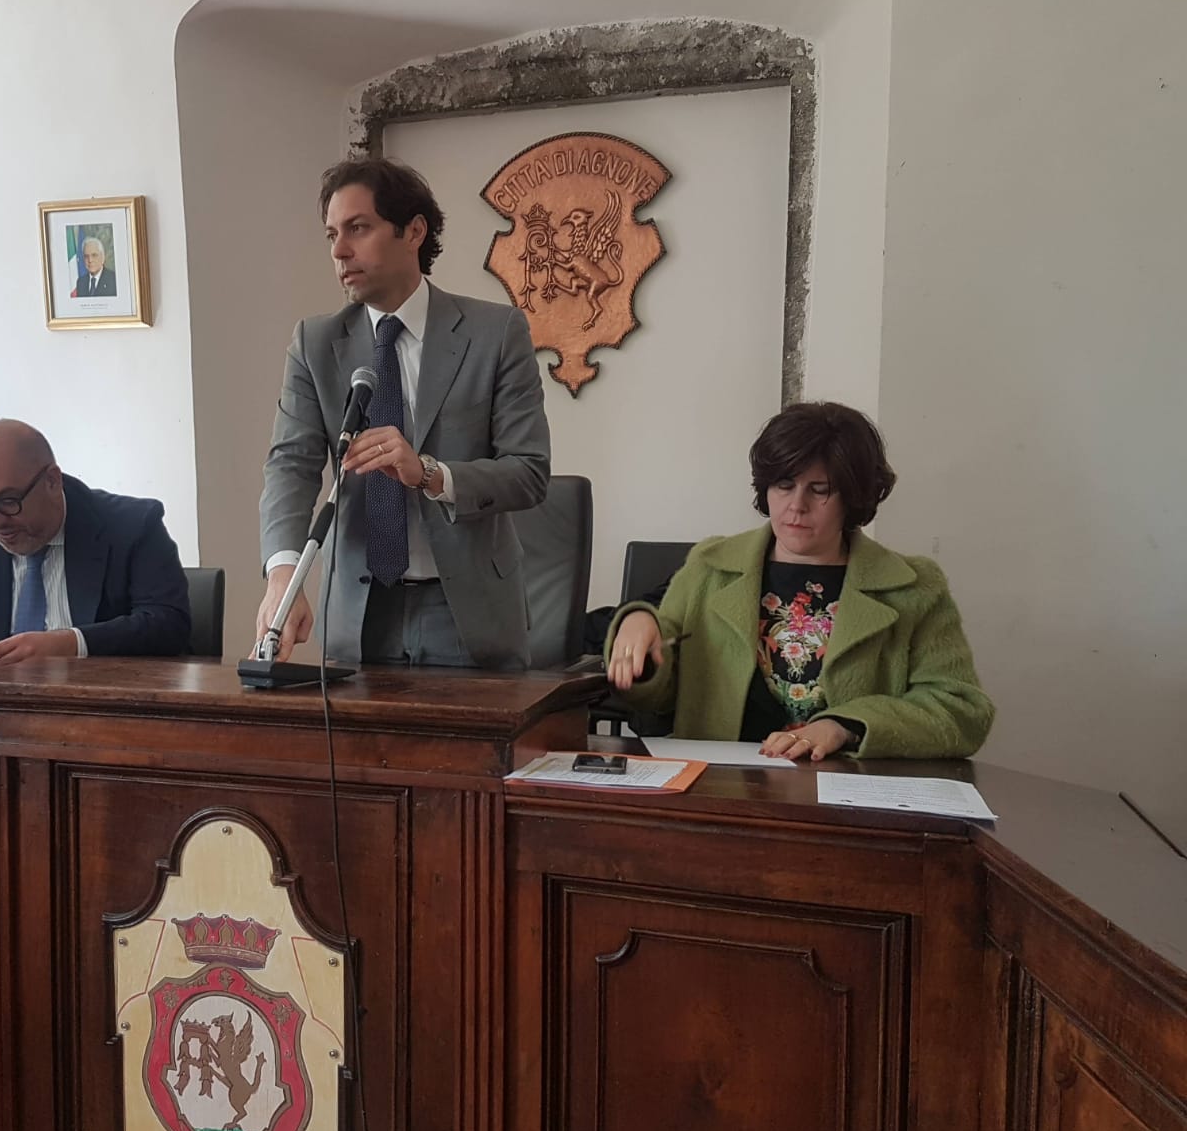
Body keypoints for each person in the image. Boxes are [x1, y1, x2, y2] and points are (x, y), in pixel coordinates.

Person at [256, 157, 550, 670]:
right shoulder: (315, 343)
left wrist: (429, 473)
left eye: (358, 228)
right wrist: (284, 575)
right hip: (358, 613)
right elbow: (290, 466)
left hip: (468, 613)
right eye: (331, 235)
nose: (339, 251)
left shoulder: (495, 333)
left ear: (414, 231)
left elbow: (528, 472)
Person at [605, 402, 994, 760]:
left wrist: (846, 726)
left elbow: (960, 711)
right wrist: (640, 626)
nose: (796, 505)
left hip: (848, 795)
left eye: (819, 490)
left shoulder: (914, 586)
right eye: (783, 485)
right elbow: (657, 697)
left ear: (854, 496)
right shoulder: (709, 568)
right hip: (723, 787)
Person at [0, 419, 190, 706]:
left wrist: (70, 643)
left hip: (107, 717)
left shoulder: (130, 526)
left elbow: (168, 625)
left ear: (52, 480)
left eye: (8, 501)